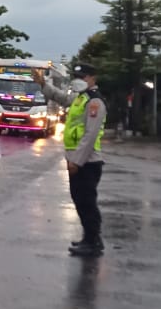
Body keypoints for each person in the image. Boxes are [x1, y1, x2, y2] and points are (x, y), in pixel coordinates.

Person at [33, 63, 107, 257]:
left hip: (88, 162)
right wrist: (43, 84)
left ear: (93, 78)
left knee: (87, 201)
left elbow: (90, 136)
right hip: (77, 160)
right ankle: (88, 238)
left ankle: (94, 241)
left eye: (83, 77)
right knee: (80, 200)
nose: (79, 80)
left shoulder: (94, 102)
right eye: (77, 76)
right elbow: (61, 98)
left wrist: (76, 161)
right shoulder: (79, 98)